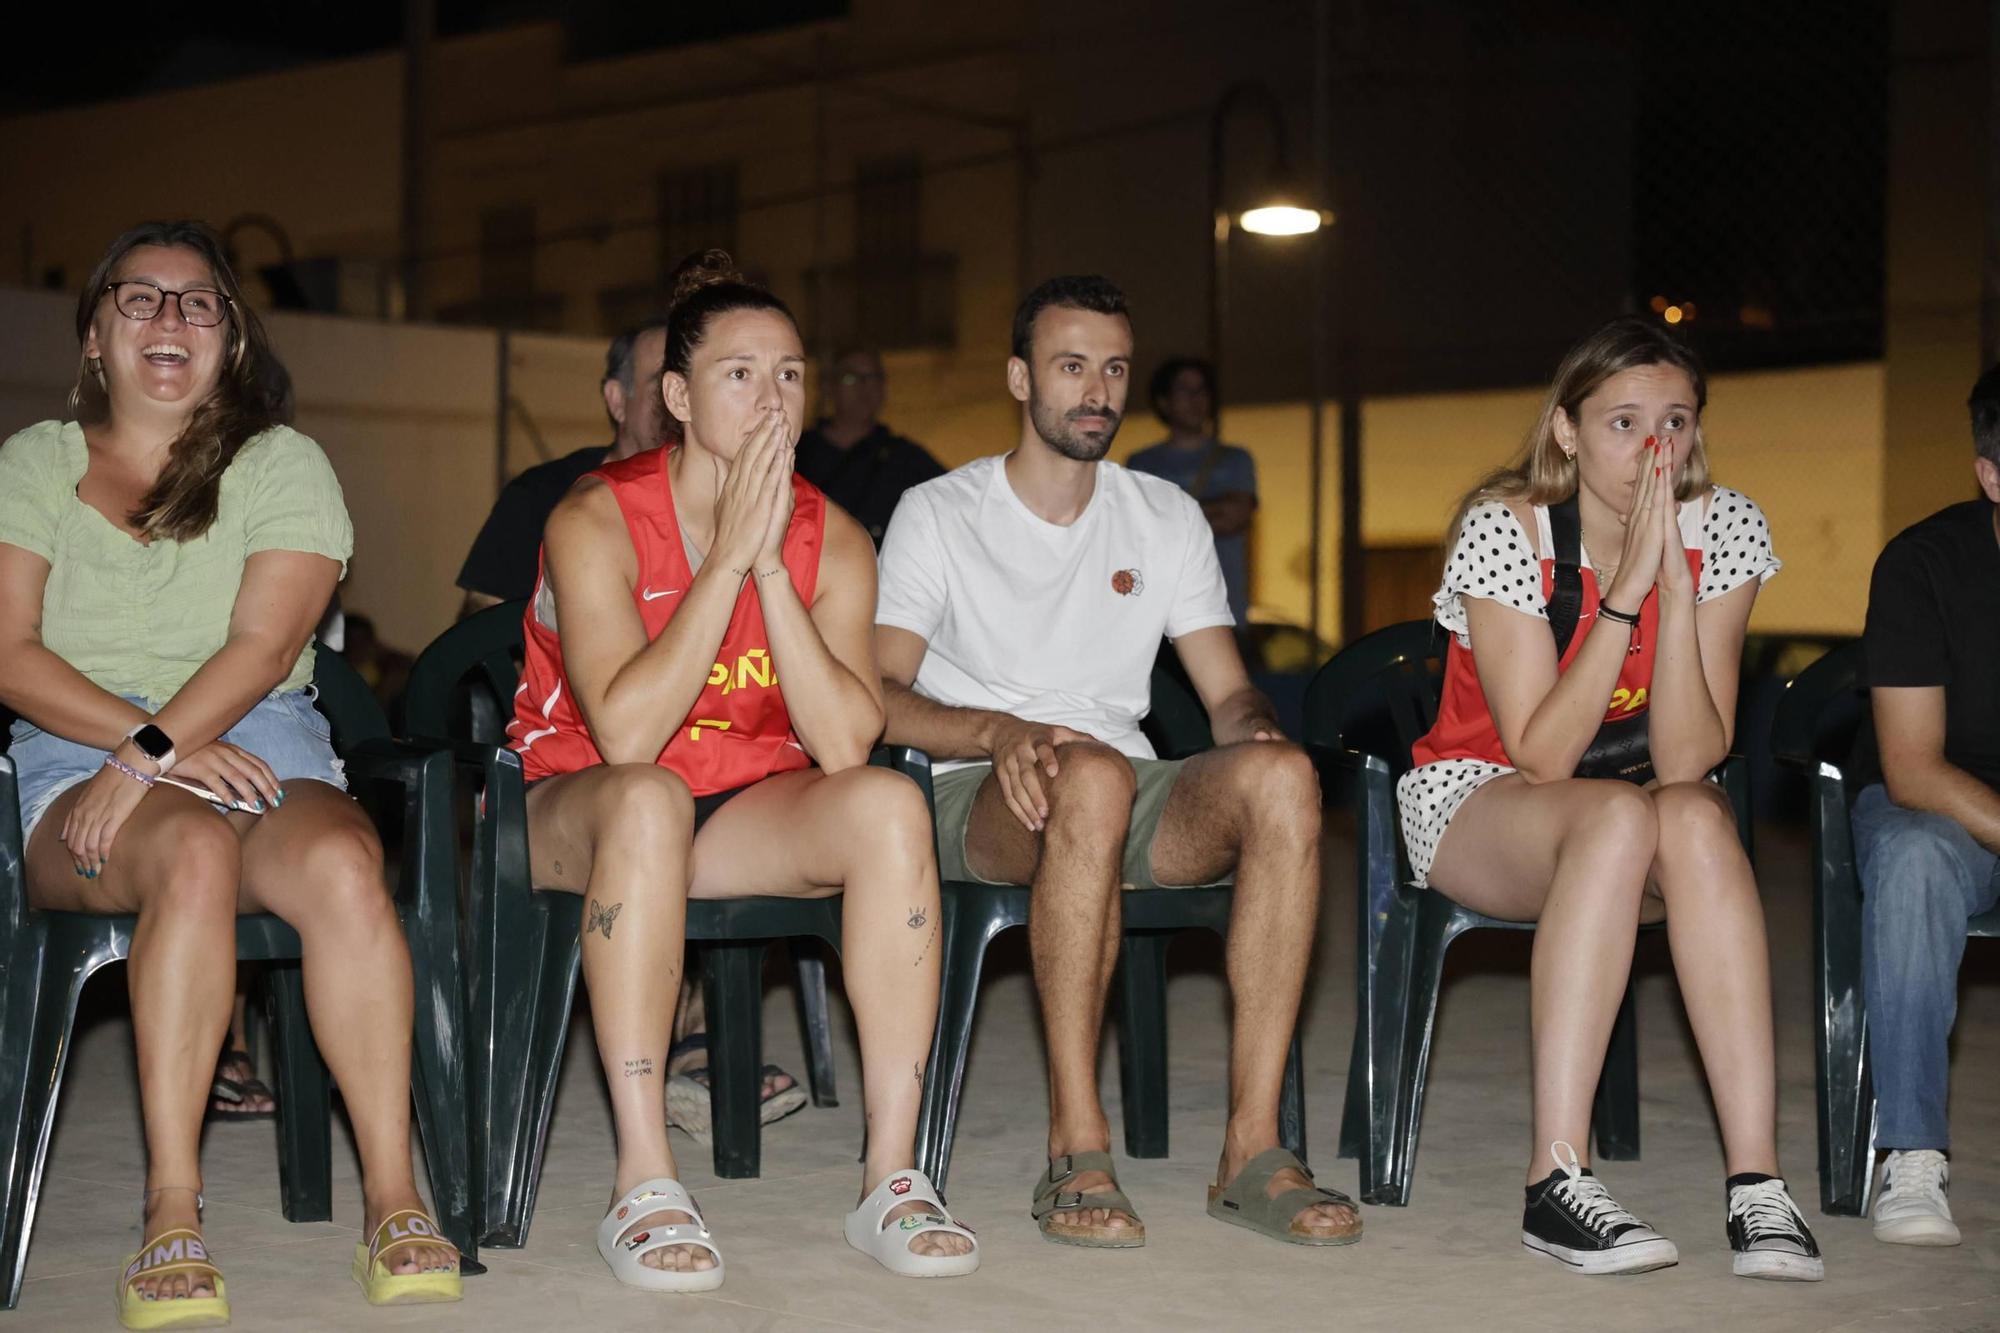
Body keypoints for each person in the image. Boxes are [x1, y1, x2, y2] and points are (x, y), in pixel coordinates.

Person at [0, 221, 462, 1325]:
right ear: (97, 335)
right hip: (73, 751)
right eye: (142, 299)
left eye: (200, 303)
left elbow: (264, 649)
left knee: (349, 863)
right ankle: (171, 1207)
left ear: (231, 339)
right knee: (192, 853)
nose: (171, 319)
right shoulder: (33, 463)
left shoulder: (280, 463)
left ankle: (393, 1196)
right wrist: (136, 750)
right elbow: (10, 653)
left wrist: (153, 750)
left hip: (263, 736)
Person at [506, 250, 977, 1289]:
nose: (773, 396)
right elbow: (626, 734)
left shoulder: (833, 537)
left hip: (734, 810)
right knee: (646, 796)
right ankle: (642, 1177)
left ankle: (892, 1174)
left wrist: (767, 559)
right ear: (674, 395)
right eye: (739, 372)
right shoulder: (594, 517)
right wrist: (721, 561)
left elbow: (846, 742)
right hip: (578, 801)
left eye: (791, 373)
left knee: (890, 806)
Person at [876, 275, 1358, 1251]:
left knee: (1281, 780)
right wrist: (996, 731)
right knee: (1086, 774)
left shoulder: (1162, 514)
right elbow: (874, 693)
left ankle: (1251, 1148)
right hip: (977, 780)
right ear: (1019, 377)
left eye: (1112, 369)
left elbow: (1225, 693)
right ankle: (1075, 1143)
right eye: (1069, 367)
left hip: (1117, 773)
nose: (1096, 390)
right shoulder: (938, 511)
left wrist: (1257, 730)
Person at [1399, 315, 1819, 1279]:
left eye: (1674, 421)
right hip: (1483, 791)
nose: (1652, 447)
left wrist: (1674, 576)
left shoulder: (1729, 525)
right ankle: (1556, 1179)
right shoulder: (1509, 526)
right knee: (1616, 813)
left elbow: (1687, 755)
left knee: (1698, 818)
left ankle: (1756, 1181)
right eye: (1623, 422)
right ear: (1566, 431)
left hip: (1635, 791)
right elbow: (1543, 753)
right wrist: (1624, 593)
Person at [455, 314, 803, 1122]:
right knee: (650, 794)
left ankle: (700, 1030)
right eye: (653, 381)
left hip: (710, 751)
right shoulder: (562, 499)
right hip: (580, 751)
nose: (668, 397)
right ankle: (674, 1052)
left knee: (748, 784)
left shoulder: (774, 507)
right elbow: (478, 630)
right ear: (625, 397)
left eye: (778, 375)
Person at [1852, 360, 2000, 1247]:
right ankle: (1909, 1154)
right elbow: (1913, 768)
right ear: (1992, 473)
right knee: (1912, 859)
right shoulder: (1923, 566)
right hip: (1940, 811)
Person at [456, 318, 674, 616]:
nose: (680, 398)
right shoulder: (542, 497)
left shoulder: (724, 501)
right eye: (662, 382)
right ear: (617, 400)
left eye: (692, 381)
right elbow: (481, 635)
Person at [1124, 358, 1258, 631]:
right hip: (1161, 615)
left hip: (1225, 611)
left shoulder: (1235, 460)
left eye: (1201, 391)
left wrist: (1170, 512)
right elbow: (1141, 530)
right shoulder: (1142, 464)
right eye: (1185, 390)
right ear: (1164, 401)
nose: (1195, 399)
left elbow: (1235, 517)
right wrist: (1212, 508)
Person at [794, 348, 944, 546]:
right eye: (851, 378)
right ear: (829, 387)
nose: (864, 387)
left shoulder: (905, 458)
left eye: (873, 378)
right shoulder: (798, 453)